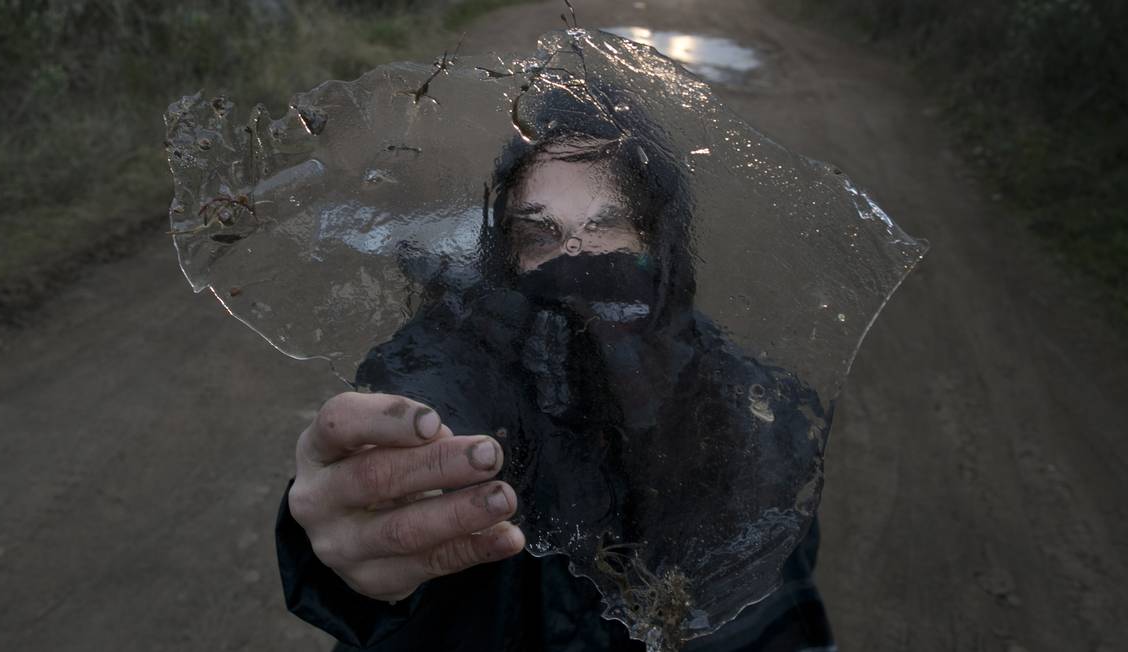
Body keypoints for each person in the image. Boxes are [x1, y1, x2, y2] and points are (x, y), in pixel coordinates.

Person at [275, 84, 836, 651]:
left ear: (658, 245)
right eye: (540, 234)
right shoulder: (471, 349)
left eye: (606, 229)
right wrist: (362, 519)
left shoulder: (740, 404)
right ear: (505, 251)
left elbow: (768, 601)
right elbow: (429, 398)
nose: (576, 261)